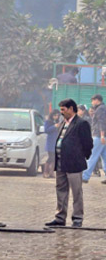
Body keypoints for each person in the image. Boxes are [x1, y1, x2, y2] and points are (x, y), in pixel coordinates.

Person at [46, 99, 93, 228]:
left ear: (71, 109)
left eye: (63, 110)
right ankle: (60, 217)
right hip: (61, 163)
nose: (61, 112)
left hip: (74, 164)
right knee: (61, 190)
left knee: (76, 192)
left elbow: (87, 143)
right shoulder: (62, 123)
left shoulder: (81, 124)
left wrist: (81, 156)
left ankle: (77, 218)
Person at [82, 94, 106, 184]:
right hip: (102, 136)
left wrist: (102, 135)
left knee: (92, 156)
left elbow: (102, 123)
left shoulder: (100, 109)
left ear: (97, 100)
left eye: (93, 100)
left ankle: (85, 176)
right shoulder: (102, 108)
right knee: (105, 157)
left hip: (99, 136)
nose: (92, 102)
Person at [43, 110, 62, 179]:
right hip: (50, 142)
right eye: (55, 115)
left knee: (55, 158)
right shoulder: (48, 122)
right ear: (52, 115)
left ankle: (51, 172)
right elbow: (46, 130)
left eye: (57, 116)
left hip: (56, 142)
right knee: (50, 157)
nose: (56, 117)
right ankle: (45, 172)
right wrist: (54, 126)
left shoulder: (57, 122)